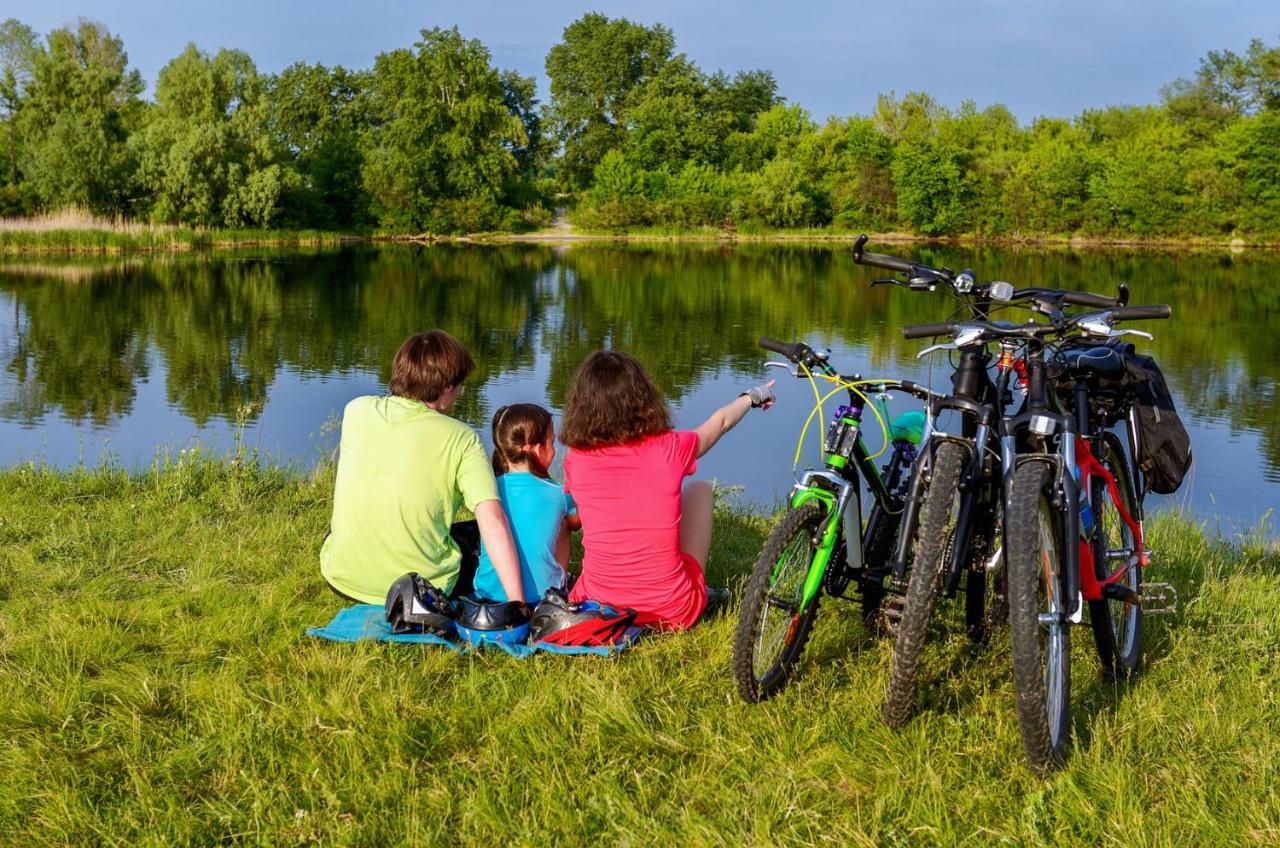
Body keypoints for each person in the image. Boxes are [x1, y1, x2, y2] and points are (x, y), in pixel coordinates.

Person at [559, 350, 773, 630]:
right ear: (641, 398)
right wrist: (752, 396)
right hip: (672, 610)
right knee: (699, 490)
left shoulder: (577, 459)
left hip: (597, 605)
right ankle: (697, 588)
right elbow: (721, 422)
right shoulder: (671, 448)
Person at [319, 330, 524, 605]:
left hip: (342, 579)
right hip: (425, 589)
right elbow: (492, 519)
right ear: (447, 387)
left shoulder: (356, 410)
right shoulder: (462, 438)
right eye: (460, 385)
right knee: (488, 534)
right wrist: (518, 605)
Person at [471, 403, 581, 605]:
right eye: (552, 443)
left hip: (486, 596)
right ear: (537, 450)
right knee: (565, 523)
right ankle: (558, 586)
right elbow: (576, 523)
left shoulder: (488, 490)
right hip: (541, 599)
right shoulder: (559, 492)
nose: (555, 450)